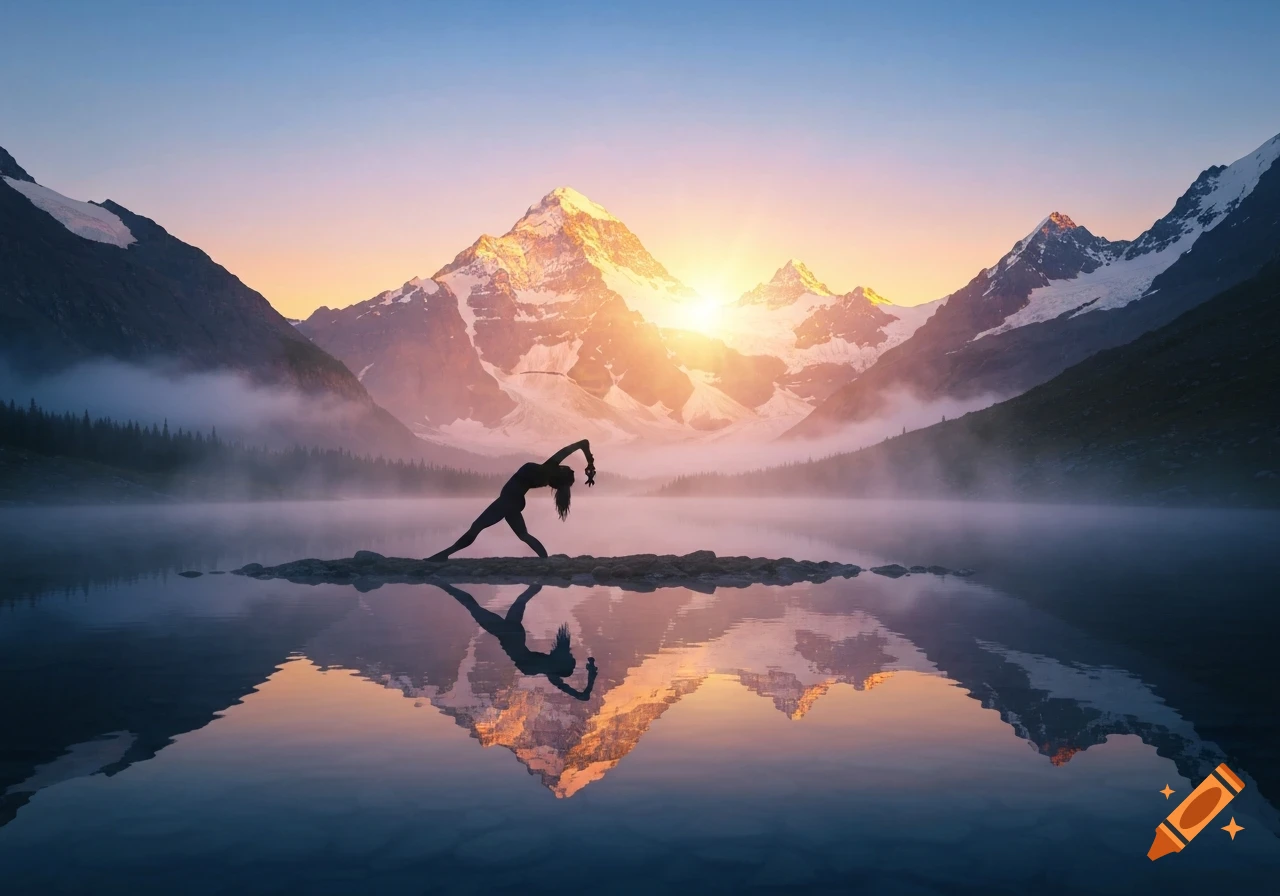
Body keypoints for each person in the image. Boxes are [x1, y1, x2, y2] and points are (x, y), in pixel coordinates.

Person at [428, 440, 595, 561]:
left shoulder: (548, 468)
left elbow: (580, 443)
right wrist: (590, 464)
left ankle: (445, 554)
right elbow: (583, 443)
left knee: (476, 527)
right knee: (523, 535)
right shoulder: (547, 474)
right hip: (513, 501)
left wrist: (590, 463)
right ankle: (545, 558)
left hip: (509, 501)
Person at [437, 583, 598, 700]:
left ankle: (539, 580)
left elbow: (583, 696)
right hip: (505, 633)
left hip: (515, 633)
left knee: (523, 597)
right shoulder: (550, 673)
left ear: (561, 663)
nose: (569, 654)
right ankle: (440, 583)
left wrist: (591, 673)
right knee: (471, 605)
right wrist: (591, 674)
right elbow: (582, 696)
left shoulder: (549, 671)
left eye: (569, 657)